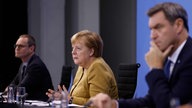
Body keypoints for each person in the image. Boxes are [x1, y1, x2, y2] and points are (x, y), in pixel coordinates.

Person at [90, 2, 192, 108]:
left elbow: (168, 104)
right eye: (151, 29)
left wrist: (156, 69)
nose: (152, 36)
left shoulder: (189, 58)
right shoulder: (168, 58)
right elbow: (152, 100)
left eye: (158, 27)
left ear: (178, 25)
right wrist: (114, 104)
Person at [46, 30, 118, 105]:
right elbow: (75, 97)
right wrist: (63, 97)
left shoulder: (97, 67)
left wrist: (70, 99)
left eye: (78, 48)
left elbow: (96, 104)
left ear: (91, 51)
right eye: (73, 48)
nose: (73, 52)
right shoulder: (82, 66)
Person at [4, 34, 54, 101]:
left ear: (31, 48)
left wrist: (9, 90)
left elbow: (22, 89)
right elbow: (14, 83)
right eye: (16, 45)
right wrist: (9, 88)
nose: (17, 48)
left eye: (21, 46)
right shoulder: (23, 64)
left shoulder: (36, 65)